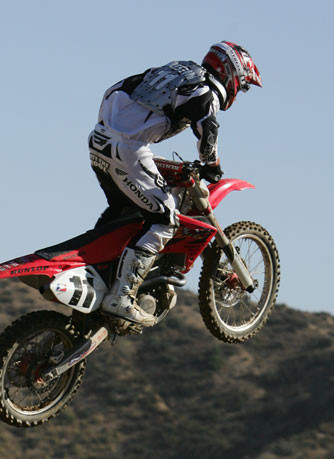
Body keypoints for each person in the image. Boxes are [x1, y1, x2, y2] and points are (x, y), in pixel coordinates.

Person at [89, 43, 262, 327]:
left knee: (125, 212)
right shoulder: (207, 88)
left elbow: (117, 88)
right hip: (129, 148)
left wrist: (115, 127)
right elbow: (208, 128)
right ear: (232, 74)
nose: (236, 93)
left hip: (100, 139)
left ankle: (97, 273)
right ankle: (121, 296)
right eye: (241, 86)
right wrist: (212, 165)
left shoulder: (175, 70)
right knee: (165, 219)